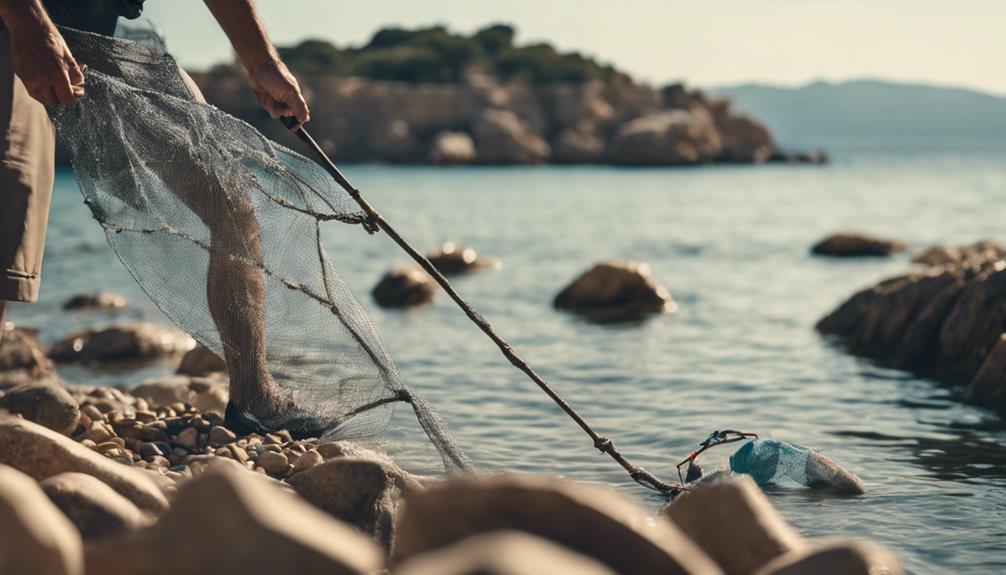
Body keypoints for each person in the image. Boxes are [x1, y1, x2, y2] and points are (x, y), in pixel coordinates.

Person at [0, 0, 315, 435]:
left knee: (229, 200)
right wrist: (29, 23)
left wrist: (263, 61)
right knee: (6, 230)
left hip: (95, 40)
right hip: (16, 23)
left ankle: (256, 397)